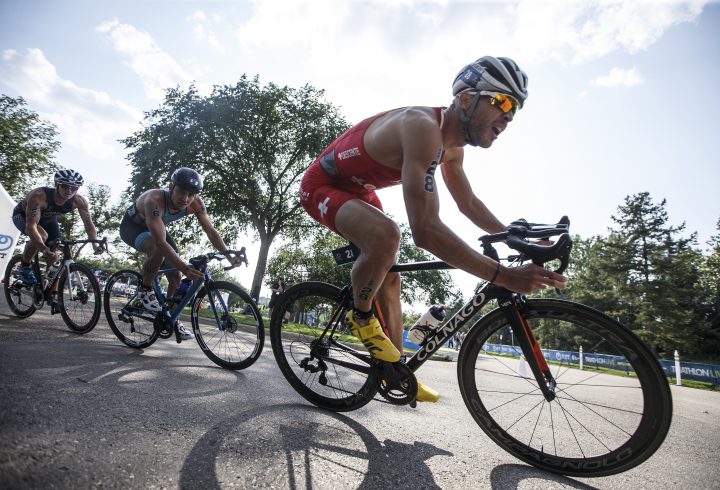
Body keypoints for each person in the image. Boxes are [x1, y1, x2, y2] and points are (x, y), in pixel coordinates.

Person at [299, 56, 567, 403]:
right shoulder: (422, 126)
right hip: (322, 183)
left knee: (389, 275)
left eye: (515, 107)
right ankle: (361, 316)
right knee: (387, 235)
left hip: (358, 189)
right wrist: (504, 275)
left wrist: (511, 236)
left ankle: (393, 370)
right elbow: (425, 230)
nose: (509, 115)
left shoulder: (452, 148)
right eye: (502, 101)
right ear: (467, 99)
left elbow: (467, 203)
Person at [119, 167, 240, 340]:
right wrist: (185, 267)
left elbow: (211, 232)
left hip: (157, 225)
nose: (185, 199)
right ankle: (144, 291)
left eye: (191, 194)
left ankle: (170, 319)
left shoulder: (196, 203)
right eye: (181, 192)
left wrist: (229, 255)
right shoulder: (154, 199)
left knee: (175, 277)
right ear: (171, 186)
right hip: (133, 227)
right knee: (159, 251)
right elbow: (161, 243)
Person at [11, 169, 105, 313]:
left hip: (49, 220)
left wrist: (94, 244)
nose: (69, 190)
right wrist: (43, 249)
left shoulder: (79, 201)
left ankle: (52, 295)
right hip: (24, 216)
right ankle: (24, 266)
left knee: (55, 256)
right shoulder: (39, 195)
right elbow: (31, 227)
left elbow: (88, 224)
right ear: (57, 184)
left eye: (74, 187)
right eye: (65, 186)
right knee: (41, 236)